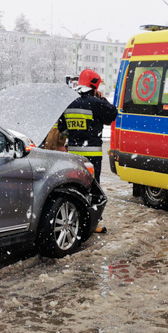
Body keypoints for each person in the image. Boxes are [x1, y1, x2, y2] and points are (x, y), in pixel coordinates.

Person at [59, 69, 118, 232]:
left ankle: (74, 220)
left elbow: (62, 127)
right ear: (94, 86)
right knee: (92, 188)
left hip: (73, 155)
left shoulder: (69, 102)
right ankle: (92, 224)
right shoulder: (95, 102)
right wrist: (102, 98)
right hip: (91, 155)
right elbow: (112, 114)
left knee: (75, 188)